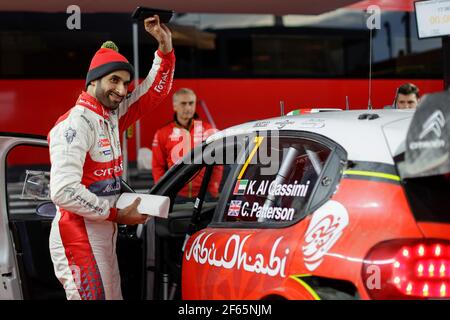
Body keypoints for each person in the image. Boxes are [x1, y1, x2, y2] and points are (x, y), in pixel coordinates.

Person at [47, 16, 175, 300]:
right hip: (77, 237)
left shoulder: (111, 116)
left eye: (125, 83)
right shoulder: (75, 124)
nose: (121, 90)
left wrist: (164, 49)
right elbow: (63, 190)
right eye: (113, 80)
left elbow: (154, 92)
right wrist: (117, 214)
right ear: (93, 81)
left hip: (103, 233)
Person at [151, 88, 222, 200]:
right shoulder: (162, 133)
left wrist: (213, 189)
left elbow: (217, 163)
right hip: (174, 194)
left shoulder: (208, 130)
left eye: (191, 103)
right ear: (175, 106)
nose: (188, 108)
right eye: (183, 104)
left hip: (204, 194)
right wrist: (162, 192)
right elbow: (158, 167)